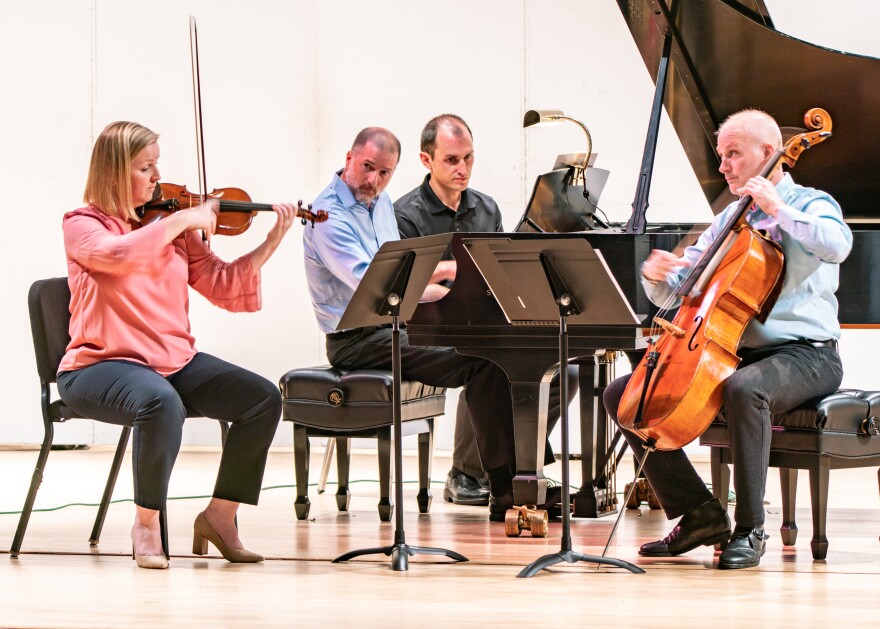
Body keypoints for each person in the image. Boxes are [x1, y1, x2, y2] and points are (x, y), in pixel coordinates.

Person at [604, 109, 852, 569]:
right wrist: (657, 277)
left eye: (732, 154)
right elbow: (687, 286)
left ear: (766, 152)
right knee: (625, 394)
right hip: (737, 350)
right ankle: (699, 515)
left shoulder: (812, 202)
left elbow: (837, 245)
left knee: (745, 388)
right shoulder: (729, 220)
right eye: (721, 156)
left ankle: (750, 528)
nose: (723, 166)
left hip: (808, 355)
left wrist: (779, 209)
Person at [57, 121, 298, 569]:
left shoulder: (171, 226)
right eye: (145, 167)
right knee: (160, 402)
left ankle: (220, 517)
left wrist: (270, 241)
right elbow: (117, 255)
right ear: (113, 172)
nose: (156, 177)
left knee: (261, 398)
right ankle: (146, 525)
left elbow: (224, 285)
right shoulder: (83, 225)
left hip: (170, 361)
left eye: (156, 166)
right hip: (98, 366)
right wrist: (184, 219)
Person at [302, 126, 520, 521]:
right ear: (349, 157)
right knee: (482, 362)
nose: (374, 180)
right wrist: (443, 277)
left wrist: (439, 289)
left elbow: (402, 274)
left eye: (385, 173)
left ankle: (512, 483)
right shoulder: (327, 214)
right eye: (368, 168)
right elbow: (374, 282)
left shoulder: (380, 203)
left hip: (392, 326)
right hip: (355, 339)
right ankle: (506, 492)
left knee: (494, 350)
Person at [394, 114, 573, 506]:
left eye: (469, 158)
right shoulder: (405, 214)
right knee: (485, 358)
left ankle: (524, 468)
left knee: (564, 367)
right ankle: (479, 475)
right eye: (452, 160)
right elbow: (408, 289)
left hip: (484, 317)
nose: (463, 169)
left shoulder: (486, 208)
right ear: (427, 160)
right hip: (430, 324)